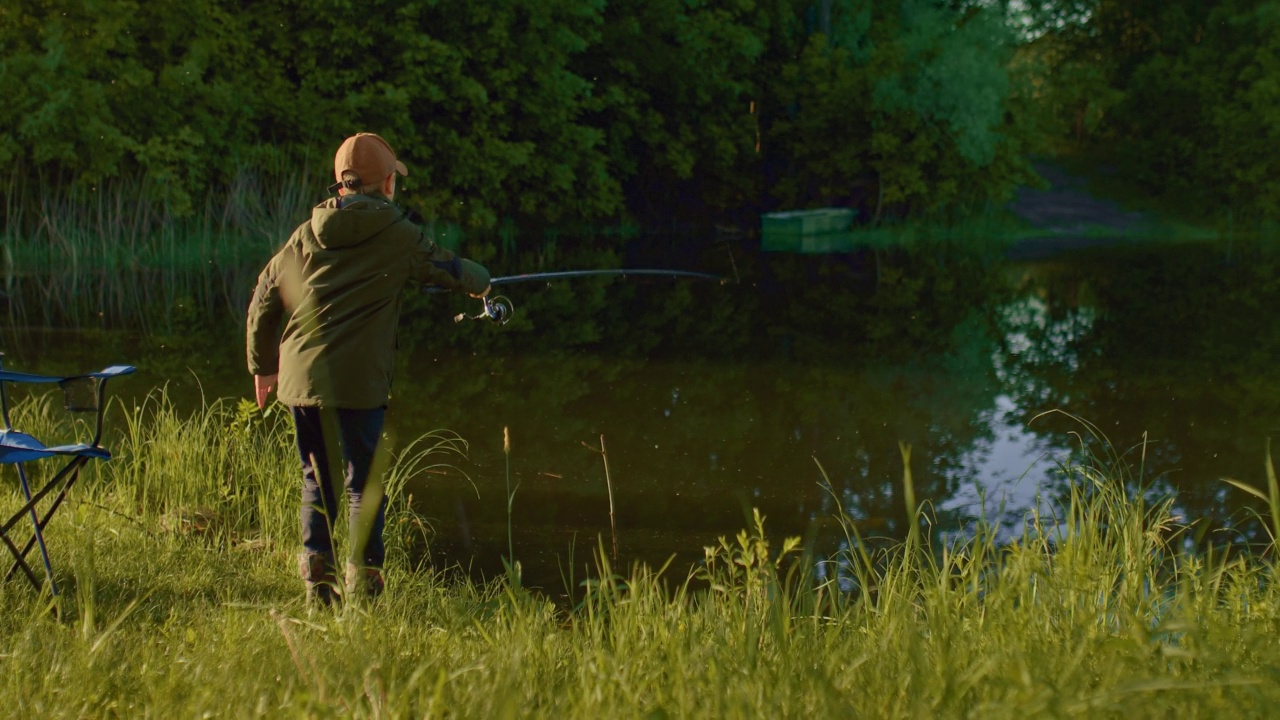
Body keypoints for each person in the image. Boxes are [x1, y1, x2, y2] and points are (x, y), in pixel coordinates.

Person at [246, 132, 490, 605]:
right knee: (364, 480)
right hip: (359, 383)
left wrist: (263, 367)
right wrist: (483, 284)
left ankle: (319, 572)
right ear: (385, 185)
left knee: (317, 477)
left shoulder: (306, 233)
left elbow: (263, 296)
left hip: (299, 380)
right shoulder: (398, 234)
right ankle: (366, 583)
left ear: (341, 184)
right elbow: (448, 268)